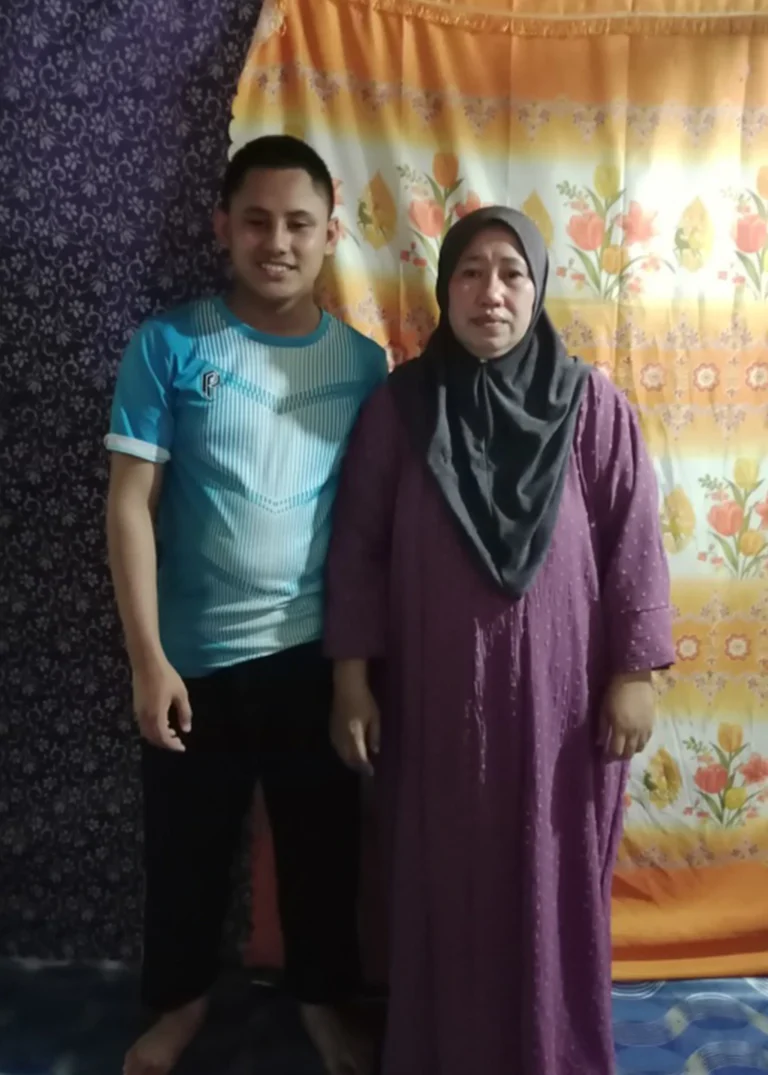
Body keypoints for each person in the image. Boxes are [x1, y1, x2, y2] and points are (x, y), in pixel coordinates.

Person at [324, 207, 675, 1075]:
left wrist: (636, 672)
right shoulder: (401, 409)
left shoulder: (591, 406)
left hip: (562, 713)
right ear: (445, 288)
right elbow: (358, 546)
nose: (491, 292)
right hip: (434, 705)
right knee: (442, 877)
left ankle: (552, 1049)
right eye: (471, 272)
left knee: (552, 874)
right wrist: (351, 681)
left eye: (512, 273)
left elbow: (633, 540)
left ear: (539, 287)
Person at [105, 135, 387, 1075]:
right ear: (222, 226)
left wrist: (354, 675)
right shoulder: (168, 345)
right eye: (257, 221)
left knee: (322, 851)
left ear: (330, 234)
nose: (278, 242)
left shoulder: (364, 365)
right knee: (185, 853)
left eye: (300, 224)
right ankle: (180, 1005)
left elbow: (368, 530)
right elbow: (130, 506)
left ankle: (321, 1001)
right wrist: (148, 659)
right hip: (192, 661)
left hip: (314, 658)